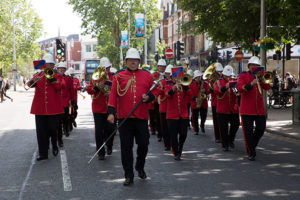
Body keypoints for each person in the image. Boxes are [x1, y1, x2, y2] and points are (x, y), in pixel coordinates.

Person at [107, 48, 155, 186]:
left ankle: (139, 166)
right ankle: (128, 175)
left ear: (139, 61)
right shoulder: (119, 76)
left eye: (136, 60)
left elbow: (156, 90)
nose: (134, 62)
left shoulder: (147, 76)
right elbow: (112, 95)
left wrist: (149, 97)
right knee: (126, 148)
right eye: (131, 60)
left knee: (144, 144)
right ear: (126, 61)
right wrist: (111, 112)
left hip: (141, 117)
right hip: (125, 117)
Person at [27, 53, 64, 161]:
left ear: (53, 66)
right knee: (41, 132)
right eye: (46, 64)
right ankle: (43, 153)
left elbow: (59, 86)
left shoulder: (57, 76)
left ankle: (54, 144)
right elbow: (29, 85)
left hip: (54, 109)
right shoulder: (38, 75)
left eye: (50, 64)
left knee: (53, 129)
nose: (47, 66)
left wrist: (51, 78)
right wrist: (34, 80)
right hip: (40, 109)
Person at [237, 56, 270, 161]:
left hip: (259, 109)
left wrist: (263, 80)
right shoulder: (243, 75)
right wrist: (251, 83)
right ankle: (251, 152)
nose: (255, 67)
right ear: (249, 66)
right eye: (253, 65)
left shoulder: (260, 76)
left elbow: (267, 87)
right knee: (248, 133)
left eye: (257, 66)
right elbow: (240, 88)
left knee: (261, 128)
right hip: (247, 109)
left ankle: (251, 145)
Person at [87, 57, 115, 160]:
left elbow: (119, 90)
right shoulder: (94, 77)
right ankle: (100, 152)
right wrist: (97, 87)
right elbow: (89, 90)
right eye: (103, 68)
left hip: (110, 107)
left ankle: (109, 145)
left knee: (111, 129)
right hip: (98, 107)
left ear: (110, 67)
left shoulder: (114, 77)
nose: (105, 71)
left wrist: (111, 93)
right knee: (99, 131)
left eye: (107, 68)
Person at [165, 67, 192, 160]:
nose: (177, 79)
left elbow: (191, 94)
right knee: (173, 136)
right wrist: (174, 87)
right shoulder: (168, 85)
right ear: (172, 78)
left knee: (184, 134)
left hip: (183, 115)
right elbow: (167, 94)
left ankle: (180, 149)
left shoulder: (185, 86)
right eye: (175, 77)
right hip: (172, 116)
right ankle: (176, 152)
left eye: (179, 77)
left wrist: (185, 86)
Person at [214, 65, 240, 151]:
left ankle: (231, 139)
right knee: (223, 128)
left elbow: (237, 93)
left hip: (233, 108)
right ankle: (225, 144)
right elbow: (217, 91)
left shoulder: (234, 82)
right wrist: (226, 86)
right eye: (227, 75)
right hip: (222, 109)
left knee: (236, 124)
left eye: (230, 75)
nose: (229, 77)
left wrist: (236, 90)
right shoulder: (218, 82)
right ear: (224, 75)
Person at [56, 62, 74, 147]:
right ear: (58, 69)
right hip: (57, 101)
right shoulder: (55, 77)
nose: (61, 70)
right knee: (58, 120)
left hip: (66, 100)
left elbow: (71, 90)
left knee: (66, 117)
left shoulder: (68, 78)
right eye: (60, 69)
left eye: (63, 69)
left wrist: (71, 99)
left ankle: (66, 129)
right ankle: (59, 138)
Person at [208, 63, 223, 143]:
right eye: (218, 72)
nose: (220, 73)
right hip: (215, 103)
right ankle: (217, 136)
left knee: (222, 122)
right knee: (216, 121)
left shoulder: (224, 79)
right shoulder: (212, 81)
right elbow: (209, 90)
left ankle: (223, 136)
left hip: (223, 103)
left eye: (221, 72)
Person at [190, 70, 209, 135]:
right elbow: (189, 94)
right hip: (195, 102)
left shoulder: (205, 83)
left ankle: (202, 124)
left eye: (199, 77)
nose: (198, 78)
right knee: (195, 117)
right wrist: (194, 98)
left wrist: (205, 91)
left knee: (204, 115)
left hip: (203, 102)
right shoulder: (191, 85)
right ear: (195, 78)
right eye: (197, 77)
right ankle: (196, 129)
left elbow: (208, 91)